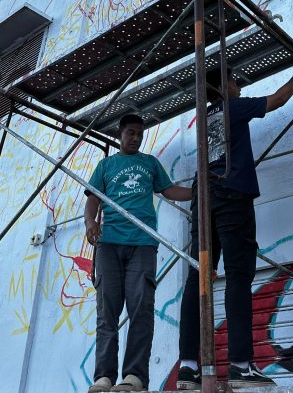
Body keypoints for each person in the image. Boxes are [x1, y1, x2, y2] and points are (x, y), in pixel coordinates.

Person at [177, 63, 293, 389]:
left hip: (203, 195)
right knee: (238, 275)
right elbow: (277, 100)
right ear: (222, 88)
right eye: (234, 80)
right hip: (231, 193)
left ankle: (188, 368)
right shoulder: (234, 106)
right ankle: (240, 366)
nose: (238, 84)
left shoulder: (204, 118)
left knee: (199, 275)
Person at [85, 113, 192, 393]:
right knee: (107, 313)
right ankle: (103, 378)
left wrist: (200, 190)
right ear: (120, 134)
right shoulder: (106, 165)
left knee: (141, 310)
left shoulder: (149, 164)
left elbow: (169, 191)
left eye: (139, 134)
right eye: (130, 133)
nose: (135, 138)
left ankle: (133, 377)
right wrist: (90, 221)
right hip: (109, 245)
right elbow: (93, 198)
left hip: (144, 244)